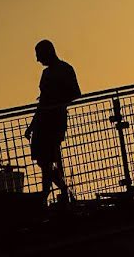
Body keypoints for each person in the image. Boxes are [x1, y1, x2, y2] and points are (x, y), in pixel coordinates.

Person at [24, 40, 81, 204]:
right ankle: (60, 189)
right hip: (43, 121)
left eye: (38, 55)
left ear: (47, 52)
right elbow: (42, 102)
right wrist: (32, 126)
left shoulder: (65, 70)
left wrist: (57, 102)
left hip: (54, 121)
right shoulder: (47, 73)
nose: (37, 59)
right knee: (44, 161)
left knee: (47, 160)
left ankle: (47, 195)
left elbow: (75, 93)